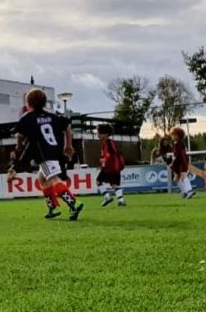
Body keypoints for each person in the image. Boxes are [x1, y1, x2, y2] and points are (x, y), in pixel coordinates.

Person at [14, 88, 83, 221]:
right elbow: (68, 127)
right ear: (45, 102)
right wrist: (68, 145)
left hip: (43, 154)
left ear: (28, 103)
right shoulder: (53, 116)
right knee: (42, 179)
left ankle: (74, 203)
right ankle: (53, 207)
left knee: (53, 179)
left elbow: (20, 135)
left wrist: (18, 146)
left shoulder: (27, 118)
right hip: (55, 151)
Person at [97, 124, 126, 207]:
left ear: (105, 134)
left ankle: (107, 197)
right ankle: (121, 200)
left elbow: (111, 153)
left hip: (109, 167)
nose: (98, 135)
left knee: (98, 181)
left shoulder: (108, 143)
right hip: (114, 167)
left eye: (99, 133)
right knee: (115, 184)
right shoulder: (108, 143)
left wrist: (105, 159)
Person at [169, 127, 196, 199]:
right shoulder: (177, 144)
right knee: (176, 179)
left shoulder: (179, 144)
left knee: (183, 177)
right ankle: (184, 192)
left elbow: (179, 156)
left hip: (182, 163)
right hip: (179, 164)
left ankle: (189, 190)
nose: (172, 136)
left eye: (174, 135)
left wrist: (173, 163)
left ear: (178, 135)